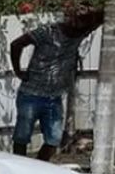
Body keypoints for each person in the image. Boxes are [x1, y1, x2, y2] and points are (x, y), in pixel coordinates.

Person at [9, 8, 103, 161]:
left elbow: (101, 16)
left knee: (54, 138)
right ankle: (19, 165)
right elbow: (16, 44)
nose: (78, 24)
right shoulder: (48, 32)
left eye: (84, 21)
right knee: (22, 135)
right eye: (77, 19)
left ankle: (39, 167)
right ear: (70, 18)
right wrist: (18, 71)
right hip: (31, 93)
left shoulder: (79, 34)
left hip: (54, 97)